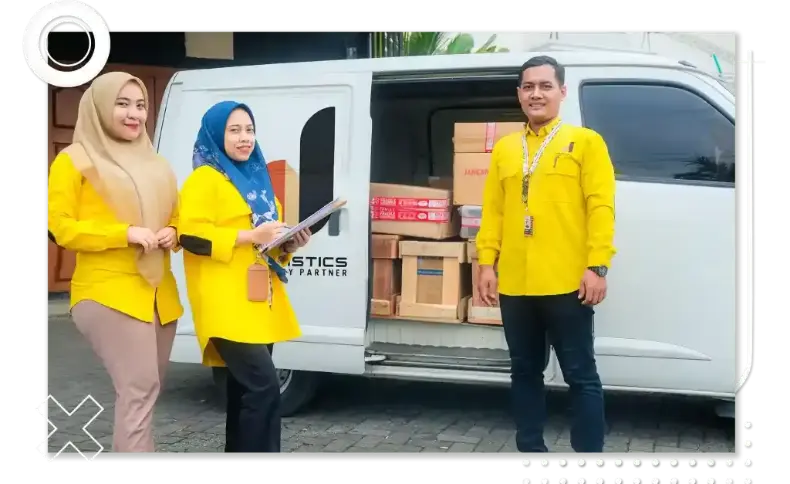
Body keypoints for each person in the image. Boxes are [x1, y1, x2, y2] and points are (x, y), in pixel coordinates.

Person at [476, 56, 616, 453]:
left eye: (545, 86)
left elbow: (601, 207)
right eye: (528, 86)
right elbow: (494, 212)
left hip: (567, 282)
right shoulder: (505, 149)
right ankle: (531, 454)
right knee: (524, 372)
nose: (536, 93)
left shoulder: (585, 142)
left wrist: (597, 265)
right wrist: (487, 262)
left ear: (562, 92)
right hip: (516, 285)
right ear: (519, 94)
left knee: (581, 376)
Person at [46, 72, 183, 453]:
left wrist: (173, 232)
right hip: (108, 292)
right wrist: (123, 233)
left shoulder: (157, 164)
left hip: (159, 294)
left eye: (140, 105)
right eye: (122, 104)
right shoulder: (74, 160)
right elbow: (60, 227)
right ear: (100, 107)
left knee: (144, 394)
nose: (133, 114)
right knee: (138, 390)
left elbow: (177, 215)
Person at [178, 101, 309, 454]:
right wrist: (251, 237)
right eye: (234, 130)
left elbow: (269, 246)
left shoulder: (259, 180)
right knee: (264, 388)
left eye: (249, 130)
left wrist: (289, 243)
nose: (244, 138)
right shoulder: (204, 179)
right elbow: (190, 237)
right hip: (224, 303)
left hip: (257, 302)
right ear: (215, 135)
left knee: (241, 392)